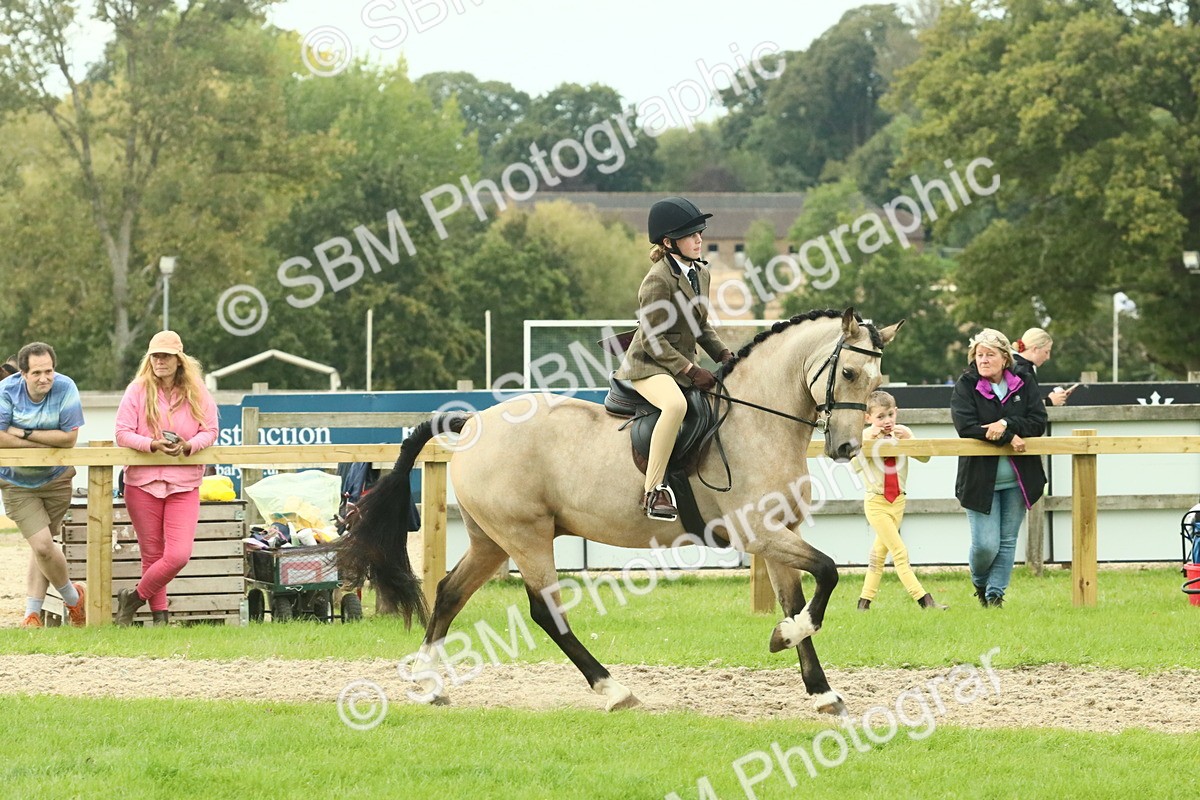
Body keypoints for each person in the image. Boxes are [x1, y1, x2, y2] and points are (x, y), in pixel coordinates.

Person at [614, 196, 733, 520]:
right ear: (669, 243)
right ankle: (653, 491)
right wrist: (691, 370)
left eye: (699, 233)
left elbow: (700, 325)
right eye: (691, 235)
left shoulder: (701, 273)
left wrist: (723, 354)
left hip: (678, 365)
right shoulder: (658, 279)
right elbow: (652, 339)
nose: (699, 239)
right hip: (648, 365)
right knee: (676, 406)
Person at [114, 331, 218, 626]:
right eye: (155, 356)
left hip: (184, 481)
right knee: (152, 553)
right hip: (142, 481)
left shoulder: (198, 391)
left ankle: (133, 598)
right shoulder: (136, 390)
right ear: (149, 359)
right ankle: (161, 617)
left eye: (166, 355)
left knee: (178, 555)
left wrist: (188, 445)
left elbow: (210, 431)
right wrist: (151, 445)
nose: (160, 361)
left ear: (178, 360)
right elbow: (122, 433)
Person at [951, 329, 1048, 608]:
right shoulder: (966, 384)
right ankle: (980, 583)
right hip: (979, 480)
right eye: (979, 355)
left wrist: (1006, 425)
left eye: (990, 354)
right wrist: (1008, 436)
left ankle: (995, 595)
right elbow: (966, 427)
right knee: (985, 544)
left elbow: (1037, 422)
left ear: (1005, 358)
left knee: (1007, 541)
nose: (983, 360)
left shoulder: (1024, 380)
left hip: (1018, 479)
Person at [0, 342, 87, 628]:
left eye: (49, 371)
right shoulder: (6, 391)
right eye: (36, 372)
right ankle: (74, 599)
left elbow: (68, 439)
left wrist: (23, 431)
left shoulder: (66, 388)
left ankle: (32, 614)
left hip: (56, 478)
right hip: (16, 481)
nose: (44, 378)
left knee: (43, 548)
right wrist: (45, 435)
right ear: (22, 374)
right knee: (42, 546)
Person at [853, 391, 945, 610]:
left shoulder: (902, 433)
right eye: (880, 417)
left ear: (897, 412)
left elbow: (924, 458)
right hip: (877, 503)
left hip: (898, 502)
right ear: (868, 419)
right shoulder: (863, 437)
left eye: (890, 415)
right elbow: (855, 466)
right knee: (900, 552)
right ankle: (925, 600)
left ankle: (863, 602)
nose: (887, 421)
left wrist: (909, 440)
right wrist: (869, 440)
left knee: (878, 554)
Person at [1011, 328, 1070, 406]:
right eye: (1046, 352)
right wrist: (1049, 401)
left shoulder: (1016, 366)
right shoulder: (1022, 371)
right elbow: (1019, 405)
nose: (1048, 357)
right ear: (1035, 349)